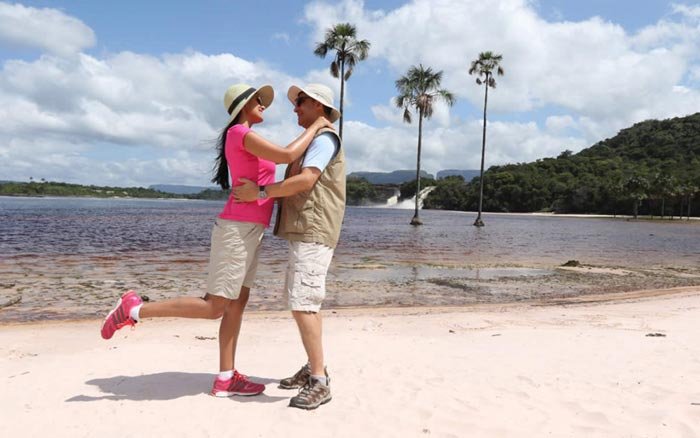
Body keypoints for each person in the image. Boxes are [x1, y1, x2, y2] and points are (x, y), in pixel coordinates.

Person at [100, 83, 332, 398]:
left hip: (252, 230)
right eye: (258, 100)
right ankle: (135, 308)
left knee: (237, 304)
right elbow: (289, 154)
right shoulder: (239, 133)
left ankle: (226, 377)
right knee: (215, 307)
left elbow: (280, 167)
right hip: (236, 227)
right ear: (242, 106)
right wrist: (318, 123)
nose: (264, 103)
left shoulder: (249, 136)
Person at [233, 83, 345, 410]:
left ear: (319, 107)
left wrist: (261, 193)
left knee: (303, 303)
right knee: (304, 301)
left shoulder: (324, 139)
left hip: (314, 230)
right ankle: (314, 366)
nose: (295, 107)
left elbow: (307, 180)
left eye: (302, 102)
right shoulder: (318, 136)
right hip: (307, 229)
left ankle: (320, 381)